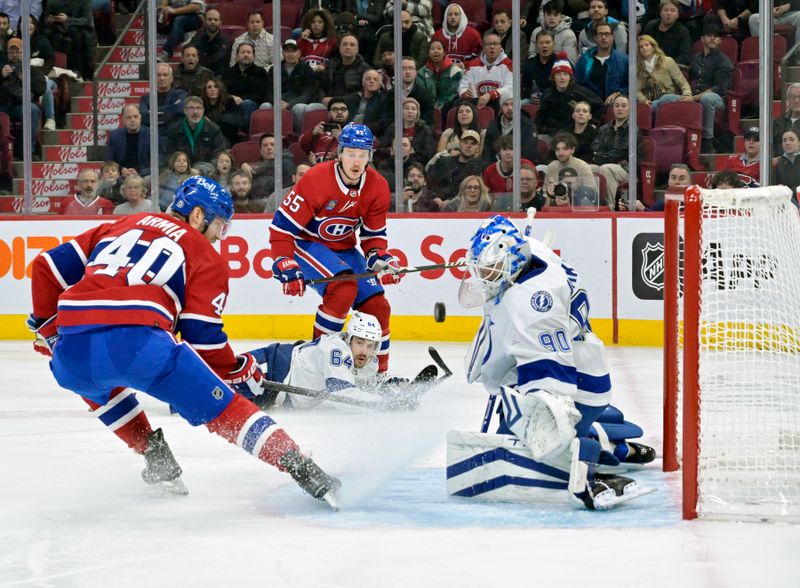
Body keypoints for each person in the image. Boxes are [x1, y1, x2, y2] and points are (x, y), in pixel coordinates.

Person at [29, 176, 340, 505]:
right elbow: (201, 335)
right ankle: (302, 468)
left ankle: (154, 455)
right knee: (226, 409)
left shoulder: (123, 223)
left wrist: (49, 332)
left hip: (71, 354)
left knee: (95, 384)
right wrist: (236, 370)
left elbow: (46, 266)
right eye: (219, 224)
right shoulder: (204, 254)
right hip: (139, 346)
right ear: (197, 216)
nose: (220, 236)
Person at [451, 215, 655, 509]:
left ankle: (591, 456)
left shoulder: (532, 306)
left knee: (535, 442)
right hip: (586, 363)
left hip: (575, 381)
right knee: (526, 429)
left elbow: (552, 393)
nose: (484, 276)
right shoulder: (532, 251)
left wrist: (537, 426)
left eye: (490, 269)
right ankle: (618, 445)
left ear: (510, 260)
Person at [268, 123, 399, 373]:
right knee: (343, 287)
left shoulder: (378, 186)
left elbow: (373, 236)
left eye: (362, 155)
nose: (356, 161)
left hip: (345, 250)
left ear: (370, 156)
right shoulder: (316, 179)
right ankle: (319, 365)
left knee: (378, 306)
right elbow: (282, 228)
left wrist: (379, 257)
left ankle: (377, 375)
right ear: (339, 154)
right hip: (307, 245)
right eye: (351, 153)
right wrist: (283, 260)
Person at [245, 311, 389, 409]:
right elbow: (342, 393)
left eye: (370, 346)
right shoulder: (336, 350)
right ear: (349, 338)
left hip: (279, 391)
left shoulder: (370, 363)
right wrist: (386, 404)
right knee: (225, 385)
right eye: (359, 343)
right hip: (271, 369)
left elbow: (368, 390)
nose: (364, 351)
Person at [263, 39, 326, 135]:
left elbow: (308, 93)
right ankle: (268, 137)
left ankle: (298, 136)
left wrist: (290, 104)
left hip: (297, 101)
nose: (290, 54)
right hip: (278, 101)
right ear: (283, 53)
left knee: (299, 108)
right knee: (265, 106)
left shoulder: (306, 69)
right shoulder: (275, 69)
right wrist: (276, 102)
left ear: (299, 53)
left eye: (293, 51)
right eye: (287, 51)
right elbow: (269, 90)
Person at [688, 24, 732, 154]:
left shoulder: (723, 60)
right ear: (702, 39)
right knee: (666, 99)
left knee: (706, 99)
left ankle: (707, 141)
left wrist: (695, 97)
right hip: (694, 95)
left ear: (720, 40)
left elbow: (720, 88)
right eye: (709, 35)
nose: (712, 38)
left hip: (717, 99)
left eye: (716, 36)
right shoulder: (696, 58)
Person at [536, 54, 603, 138]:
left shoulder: (580, 92)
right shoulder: (547, 95)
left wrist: (593, 122)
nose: (562, 77)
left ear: (570, 77)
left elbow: (600, 106)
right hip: (551, 135)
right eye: (558, 74)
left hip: (575, 135)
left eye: (565, 74)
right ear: (553, 78)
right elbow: (540, 117)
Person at [0, 37, 45, 156]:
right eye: (11, 53)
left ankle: (28, 152)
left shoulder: (33, 70)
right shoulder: (2, 69)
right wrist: (1, 76)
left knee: (32, 109)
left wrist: (27, 80)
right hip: (3, 106)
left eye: (17, 52)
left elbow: (41, 89)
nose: (14, 55)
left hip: (21, 106)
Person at [163, 96, 229, 173]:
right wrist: (182, 167)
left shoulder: (213, 129)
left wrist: (200, 170)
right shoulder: (175, 129)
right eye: (191, 108)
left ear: (203, 111)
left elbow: (218, 156)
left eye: (199, 108)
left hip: (206, 171)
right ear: (185, 111)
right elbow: (169, 154)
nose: (195, 112)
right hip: (180, 170)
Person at [592, 94, 637, 207]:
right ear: (613, 108)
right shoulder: (604, 129)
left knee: (606, 169)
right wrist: (603, 156)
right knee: (587, 168)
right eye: (616, 106)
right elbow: (595, 148)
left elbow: (621, 152)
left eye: (623, 106)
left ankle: (609, 207)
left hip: (625, 169)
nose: (620, 109)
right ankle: (588, 205)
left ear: (630, 109)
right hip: (605, 164)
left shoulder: (633, 129)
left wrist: (602, 156)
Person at [574, 20, 629, 104]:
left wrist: (618, 93)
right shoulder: (584, 60)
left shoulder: (623, 60)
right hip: (589, 105)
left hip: (615, 105)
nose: (604, 37)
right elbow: (577, 84)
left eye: (607, 34)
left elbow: (629, 85)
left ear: (612, 37)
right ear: (595, 38)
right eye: (600, 34)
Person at [635, 35, 692, 113]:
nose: (644, 48)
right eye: (641, 47)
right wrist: (644, 100)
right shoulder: (639, 68)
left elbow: (681, 81)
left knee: (662, 100)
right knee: (652, 105)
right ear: (639, 51)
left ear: (653, 46)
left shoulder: (667, 61)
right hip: (653, 100)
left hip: (670, 97)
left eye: (647, 45)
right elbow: (636, 90)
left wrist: (687, 94)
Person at [458, 31, 513, 111]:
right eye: (488, 44)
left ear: (500, 46)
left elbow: (511, 87)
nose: (492, 47)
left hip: (498, 101)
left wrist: (490, 95)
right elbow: (463, 85)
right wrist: (464, 92)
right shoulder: (473, 64)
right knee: (457, 104)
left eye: (495, 43)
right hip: (475, 101)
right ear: (483, 47)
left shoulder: (508, 64)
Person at [42, 0, 96, 80]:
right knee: (46, 33)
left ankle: (78, 70)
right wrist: (49, 19)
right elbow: (45, 17)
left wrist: (68, 19)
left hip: (79, 29)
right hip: (56, 27)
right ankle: (49, 68)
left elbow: (87, 20)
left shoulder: (84, 1)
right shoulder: (52, 2)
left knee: (74, 33)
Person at [481, 88, 538, 163]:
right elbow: (487, 152)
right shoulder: (493, 125)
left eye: (513, 104)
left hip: (519, 168)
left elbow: (528, 154)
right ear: (501, 107)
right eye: (506, 104)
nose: (510, 108)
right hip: (495, 166)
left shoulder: (528, 127)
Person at [380, 97, 435, 164]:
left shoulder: (424, 129)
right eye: (406, 108)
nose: (410, 111)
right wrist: (393, 151)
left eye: (413, 109)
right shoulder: (393, 128)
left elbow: (428, 154)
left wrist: (408, 155)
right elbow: (381, 149)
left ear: (417, 113)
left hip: (416, 164)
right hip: (394, 163)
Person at [319, 33, 370, 105]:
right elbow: (321, 86)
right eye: (344, 44)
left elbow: (362, 92)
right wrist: (322, 98)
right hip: (328, 103)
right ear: (339, 48)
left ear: (357, 49)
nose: (348, 47)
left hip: (352, 105)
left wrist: (336, 100)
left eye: (352, 45)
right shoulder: (331, 65)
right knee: (302, 108)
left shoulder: (364, 68)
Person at [139, 63, 187, 138]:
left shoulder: (181, 94)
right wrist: (172, 109)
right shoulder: (145, 98)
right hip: (152, 138)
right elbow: (144, 117)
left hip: (174, 138)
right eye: (158, 75)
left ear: (171, 78)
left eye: (165, 75)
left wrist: (152, 112)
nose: (162, 78)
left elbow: (180, 109)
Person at [417, 39, 463, 114]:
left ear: (444, 52)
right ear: (428, 53)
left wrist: (440, 105)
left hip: (449, 106)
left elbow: (452, 93)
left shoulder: (455, 71)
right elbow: (422, 92)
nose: (436, 51)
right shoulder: (421, 73)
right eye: (432, 49)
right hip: (428, 107)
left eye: (439, 48)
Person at [105, 104, 152, 178]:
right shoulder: (115, 136)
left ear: (140, 117)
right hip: (121, 176)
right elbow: (109, 160)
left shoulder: (151, 134)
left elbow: (159, 161)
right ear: (123, 120)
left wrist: (140, 172)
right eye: (128, 117)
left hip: (143, 175)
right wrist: (121, 170)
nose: (132, 120)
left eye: (135, 116)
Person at [642, 0, 692, 66]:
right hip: (650, 64)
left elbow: (685, 56)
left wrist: (666, 64)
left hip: (671, 67)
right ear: (660, 13)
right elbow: (643, 47)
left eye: (672, 10)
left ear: (677, 15)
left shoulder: (683, 32)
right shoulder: (650, 27)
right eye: (665, 10)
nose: (669, 13)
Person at [201, 78, 244, 146]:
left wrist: (210, 123)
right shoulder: (202, 105)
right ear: (205, 91)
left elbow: (232, 126)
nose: (213, 89)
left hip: (227, 137)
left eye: (216, 87)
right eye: (209, 87)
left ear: (220, 89)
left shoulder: (230, 102)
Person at [189, 7, 231, 77]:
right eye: (210, 19)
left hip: (219, 80)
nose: (213, 22)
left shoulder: (227, 43)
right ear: (205, 21)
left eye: (215, 20)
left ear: (220, 22)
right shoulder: (195, 40)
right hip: (198, 78)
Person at [772, 82, 800, 154]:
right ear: (788, 100)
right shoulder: (778, 123)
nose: (796, 101)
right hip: (781, 164)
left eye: (799, 97)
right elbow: (772, 147)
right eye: (793, 97)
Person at [774, 128, 800, 199]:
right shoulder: (780, 163)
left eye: (791, 139)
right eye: (784, 140)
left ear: (799, 142)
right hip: (786, 201)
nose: (787, 143)